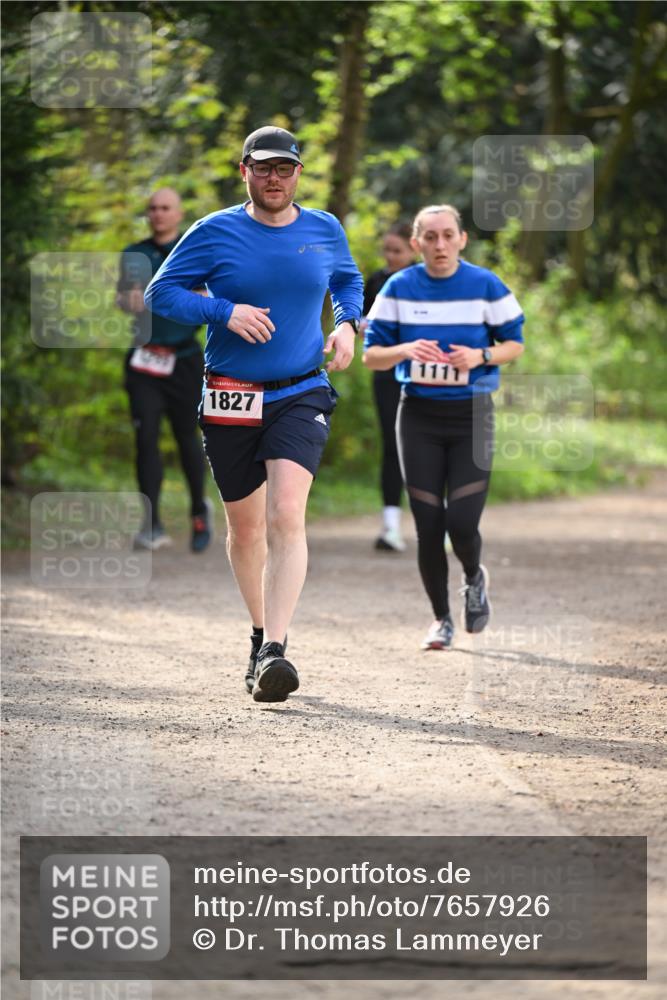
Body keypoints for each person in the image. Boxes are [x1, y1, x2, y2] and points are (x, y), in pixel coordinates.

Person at [144, 126, 363, 702]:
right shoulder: (213, 231)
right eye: (263, 167)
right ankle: (259, 633)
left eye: (284, 168)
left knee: (287, 513)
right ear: (244, 170)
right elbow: (160, 294)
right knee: (246, 531)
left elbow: (346, 278)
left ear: (298, 173)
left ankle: (275, 651)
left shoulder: (324, 228)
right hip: (231, 393)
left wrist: (347, 323)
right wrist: (224, 310)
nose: (274, 178)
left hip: (300, 390)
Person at [363, 204, 524, 649]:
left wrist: (481, 356)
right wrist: (405, 349)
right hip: (418, 417)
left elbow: (514, 344)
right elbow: (371, 355)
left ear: (461, 239)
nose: (440, 245)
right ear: (417, 243)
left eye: (448, 235)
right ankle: (441, 620)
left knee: (462, 523)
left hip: (472, 415)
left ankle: (473, 577)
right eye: (430, 237)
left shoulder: (485, 285)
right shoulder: (399, 288)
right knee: (429, 525)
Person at [116, 188, 212, 552]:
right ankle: (152, 524)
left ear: (178, 213)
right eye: (153, 208)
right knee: (145, 440)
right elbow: (123, 298)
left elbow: (208, 298)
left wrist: (166, 297)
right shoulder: (134, 253)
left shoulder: (194, 249)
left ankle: (199, 513)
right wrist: (129, 300)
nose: (158, 213)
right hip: (143, 360)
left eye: (165, 208)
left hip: (184, 359)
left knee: (188, 438)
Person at [361, 223, 415, 552]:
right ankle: (391, 526)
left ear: (413, 249)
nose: (391, 256)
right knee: (393, 446)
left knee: (429, 447)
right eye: (387, 250)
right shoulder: (376, 282)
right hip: (386, 375)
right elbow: (361, 320)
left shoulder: (425, 281)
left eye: (398, 251)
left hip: (424, 376)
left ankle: (442, 522)